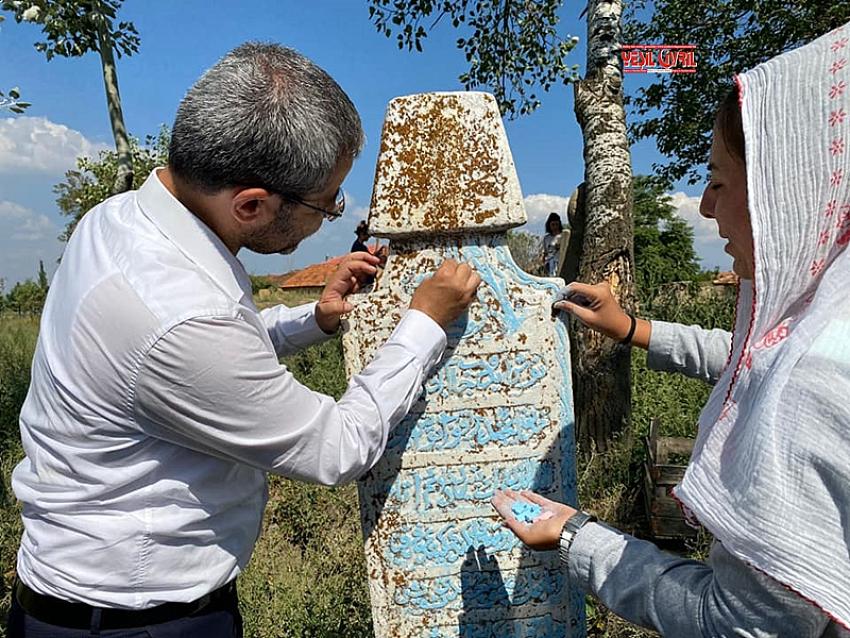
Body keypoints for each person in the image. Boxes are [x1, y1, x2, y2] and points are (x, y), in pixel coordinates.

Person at [6, 43, 480, 637]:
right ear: (251, 204)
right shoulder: (177, 314)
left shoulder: (120, 218)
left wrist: (316, 317)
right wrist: (426, 322)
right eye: (326, 203)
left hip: (81, 598)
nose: (330, 213)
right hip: (140, 622)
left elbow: (198, 354)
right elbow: (336, 447)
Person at [493, 23, 850, 637]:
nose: (707, 208)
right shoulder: (826, 325)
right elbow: (754, 360)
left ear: (786, 191)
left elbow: (737, 625)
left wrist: (578, 538)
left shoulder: (808, 391)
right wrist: (632, 327)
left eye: (717, 180)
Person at [543, 212, 564, 276]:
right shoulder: (546, 238)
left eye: (556, 224)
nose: (555, 227)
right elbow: (545, 252)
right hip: (549, 264)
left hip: (560, 263)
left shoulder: (562, 236)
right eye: (553, 224)